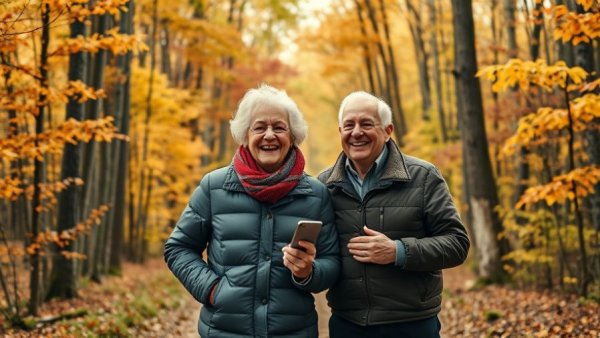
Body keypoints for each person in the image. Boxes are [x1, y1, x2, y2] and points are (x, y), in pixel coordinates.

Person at [164, 84, 340, 337]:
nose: (269, 135)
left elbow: (333, 263)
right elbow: (178, 248)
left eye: (279, 127)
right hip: (225, 331)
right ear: (245, 135)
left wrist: (309, 272)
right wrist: (212, 289)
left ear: (293, 136)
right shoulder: (214, 187)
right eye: (260, 127)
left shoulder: (315, 193)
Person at [318, 91, 470, 338]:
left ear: (388, 131)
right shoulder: (324, 185)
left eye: (367, 124)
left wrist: (397, 251)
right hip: (348, 324)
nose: (356, 132)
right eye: (349, 125)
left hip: (412, 324)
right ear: (340, 132)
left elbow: (457, 244)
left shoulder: (423, 176)